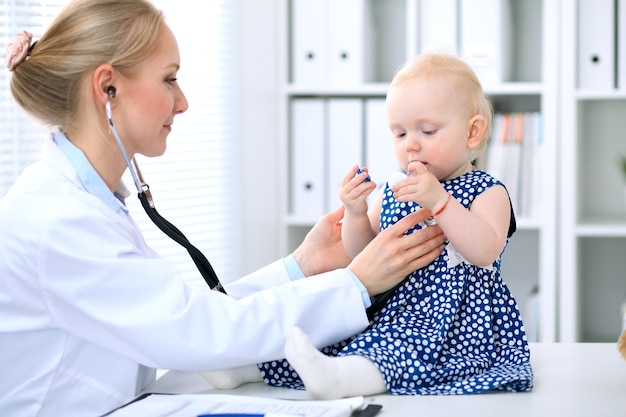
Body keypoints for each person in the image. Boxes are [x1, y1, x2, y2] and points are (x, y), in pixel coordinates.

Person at [0, 2, 446, 416]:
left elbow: (183, 316)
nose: (183, 101)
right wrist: (357, 283)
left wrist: (301, 265)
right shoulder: (58, 222)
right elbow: (199, 331)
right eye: (169, 78)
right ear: (108, 86)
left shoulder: (83, 201)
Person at [205, 53, 533, 398]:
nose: (411, 144)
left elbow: (484, 251)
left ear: (472, 131)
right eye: (400, 133)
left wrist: (440, 201)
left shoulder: (486, 190)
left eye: (428, 130)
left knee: (397, 349)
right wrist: (357, 212)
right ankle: (243, 366)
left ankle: (341, 380)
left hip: (454, 323)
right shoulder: (395, 189)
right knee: (335, 336)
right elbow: (361, 254)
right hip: (391, 307)